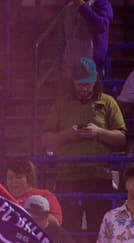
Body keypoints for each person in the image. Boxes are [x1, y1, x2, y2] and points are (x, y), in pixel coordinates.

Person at [39, 57, 126, 233]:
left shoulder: (108, 102)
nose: (84, 88)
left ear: (95, 81)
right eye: (79, 84)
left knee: (100, 231)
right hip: (68, 177)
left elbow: (122, 139)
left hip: (100, 177)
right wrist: (67, 135)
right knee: (69, 230)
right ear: (72, 82)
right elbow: (45, 139)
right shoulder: (60, 104)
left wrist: (99, 132)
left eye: (88, 84)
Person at [58, 0, 113, 74]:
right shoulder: (68, 8)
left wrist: (82, 5)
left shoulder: (100, 3)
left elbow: (101, 26)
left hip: (90, 67)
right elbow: (63, 37)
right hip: (70, 66)